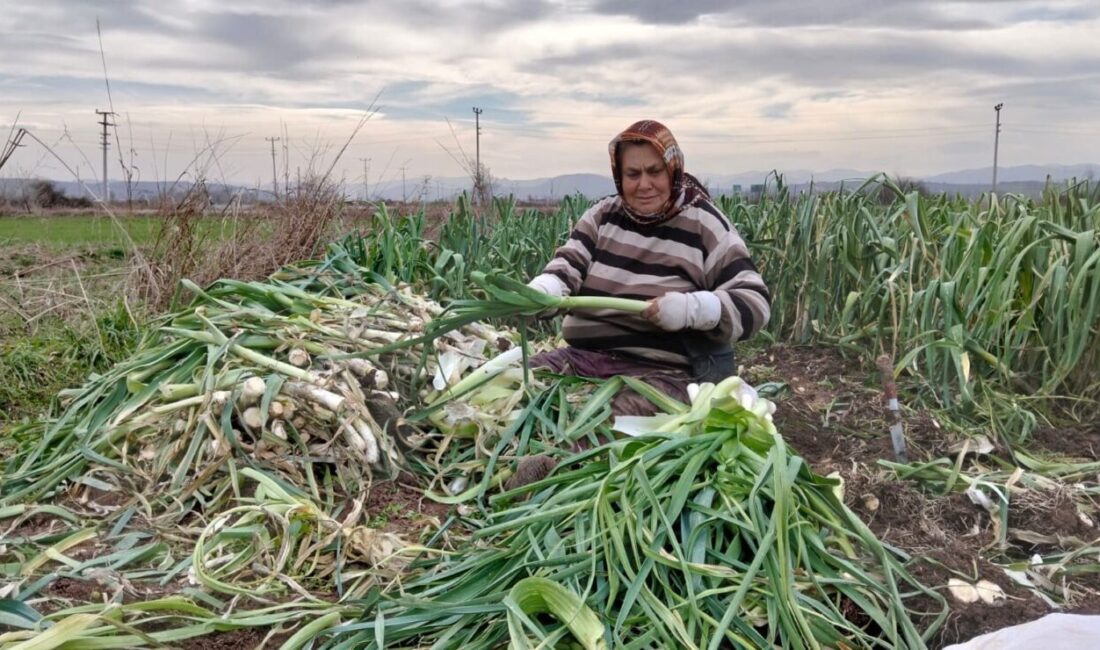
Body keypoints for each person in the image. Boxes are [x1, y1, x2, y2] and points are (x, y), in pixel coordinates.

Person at [526, 119, 771, 418]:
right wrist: (544, 290)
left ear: (673, 169)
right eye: (633, 174)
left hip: (663, 374)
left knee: (607, 421)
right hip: (583, 359)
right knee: (515, 384)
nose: (644, 184)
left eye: (655, 172)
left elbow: (755, 302)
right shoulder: (603, 217)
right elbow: (568, 266)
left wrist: (693, 309)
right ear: (619, 175)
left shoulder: (704, 224)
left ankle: (556, 459)